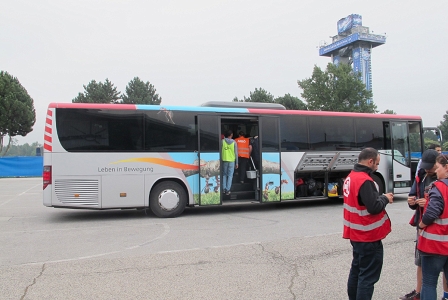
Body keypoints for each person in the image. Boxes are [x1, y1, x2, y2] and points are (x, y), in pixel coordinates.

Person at [343, 147, 394, 300]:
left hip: (355, 234)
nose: (377, 167)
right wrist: (385, 198)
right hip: (368, 236)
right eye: (377, 164)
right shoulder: (364, 180)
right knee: (367, 277)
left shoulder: (350, 177)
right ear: (370, 161)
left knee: (356, 271)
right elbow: (374, 207)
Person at [400, 149, 439, 300]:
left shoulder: (443, 179)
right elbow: (413, 195)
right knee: (420, 261)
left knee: (443, 264)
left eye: (431, 166)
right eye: (426, 166)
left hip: (438, 226)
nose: (428, 169)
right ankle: (418, 292)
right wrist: (412, 202)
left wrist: (427, 203)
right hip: (422, 225)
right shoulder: (421, 176)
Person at [418, 154, 448, 300]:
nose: (436, 172)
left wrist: (421, 224)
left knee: (429, 283)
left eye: (438, 168)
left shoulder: (439, 187)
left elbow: (432, 212)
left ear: (446, 168)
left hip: (435, 245)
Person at [221, 130, 238, 195]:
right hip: (231, 161)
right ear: (231, 135)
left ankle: (223, 189)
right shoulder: (234, 142)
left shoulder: (222, 141)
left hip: (224, 160)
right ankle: (228, 190)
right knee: (230, 176)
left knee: (224, 175)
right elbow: (236, 153)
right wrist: (237, 163)